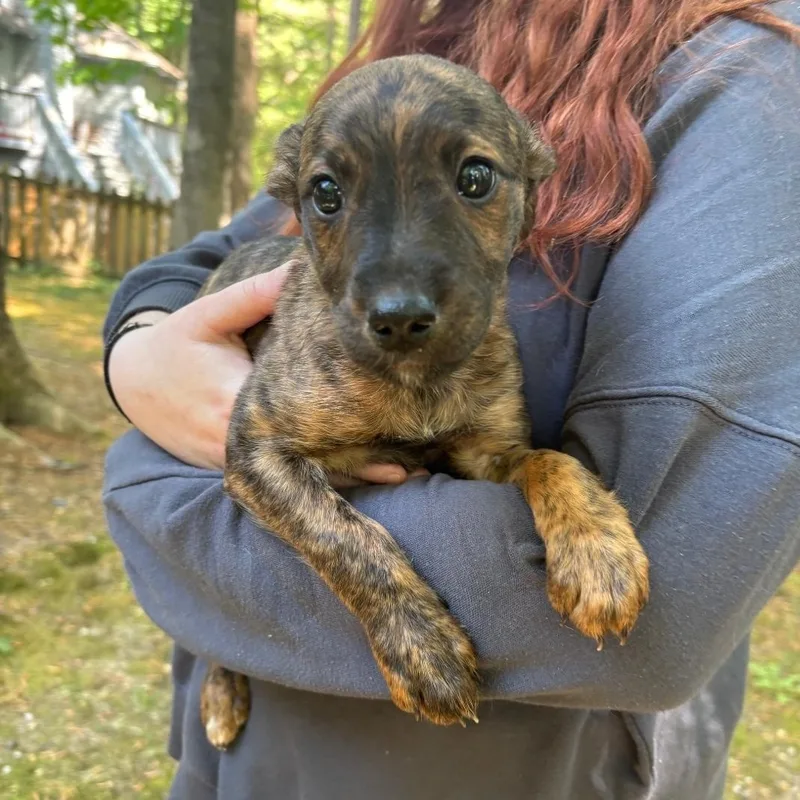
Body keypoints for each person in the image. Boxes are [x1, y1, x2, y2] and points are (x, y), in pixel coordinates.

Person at [101, 1, 800, 798]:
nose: (398, 299)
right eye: (328, 194)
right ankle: (227, 665)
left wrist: (144, 482)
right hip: (253, 761)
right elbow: (202, 280)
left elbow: (653, 613)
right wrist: (137, 352)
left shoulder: (756, 74)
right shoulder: (427, 41)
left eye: (472, 181)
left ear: (533, 177)